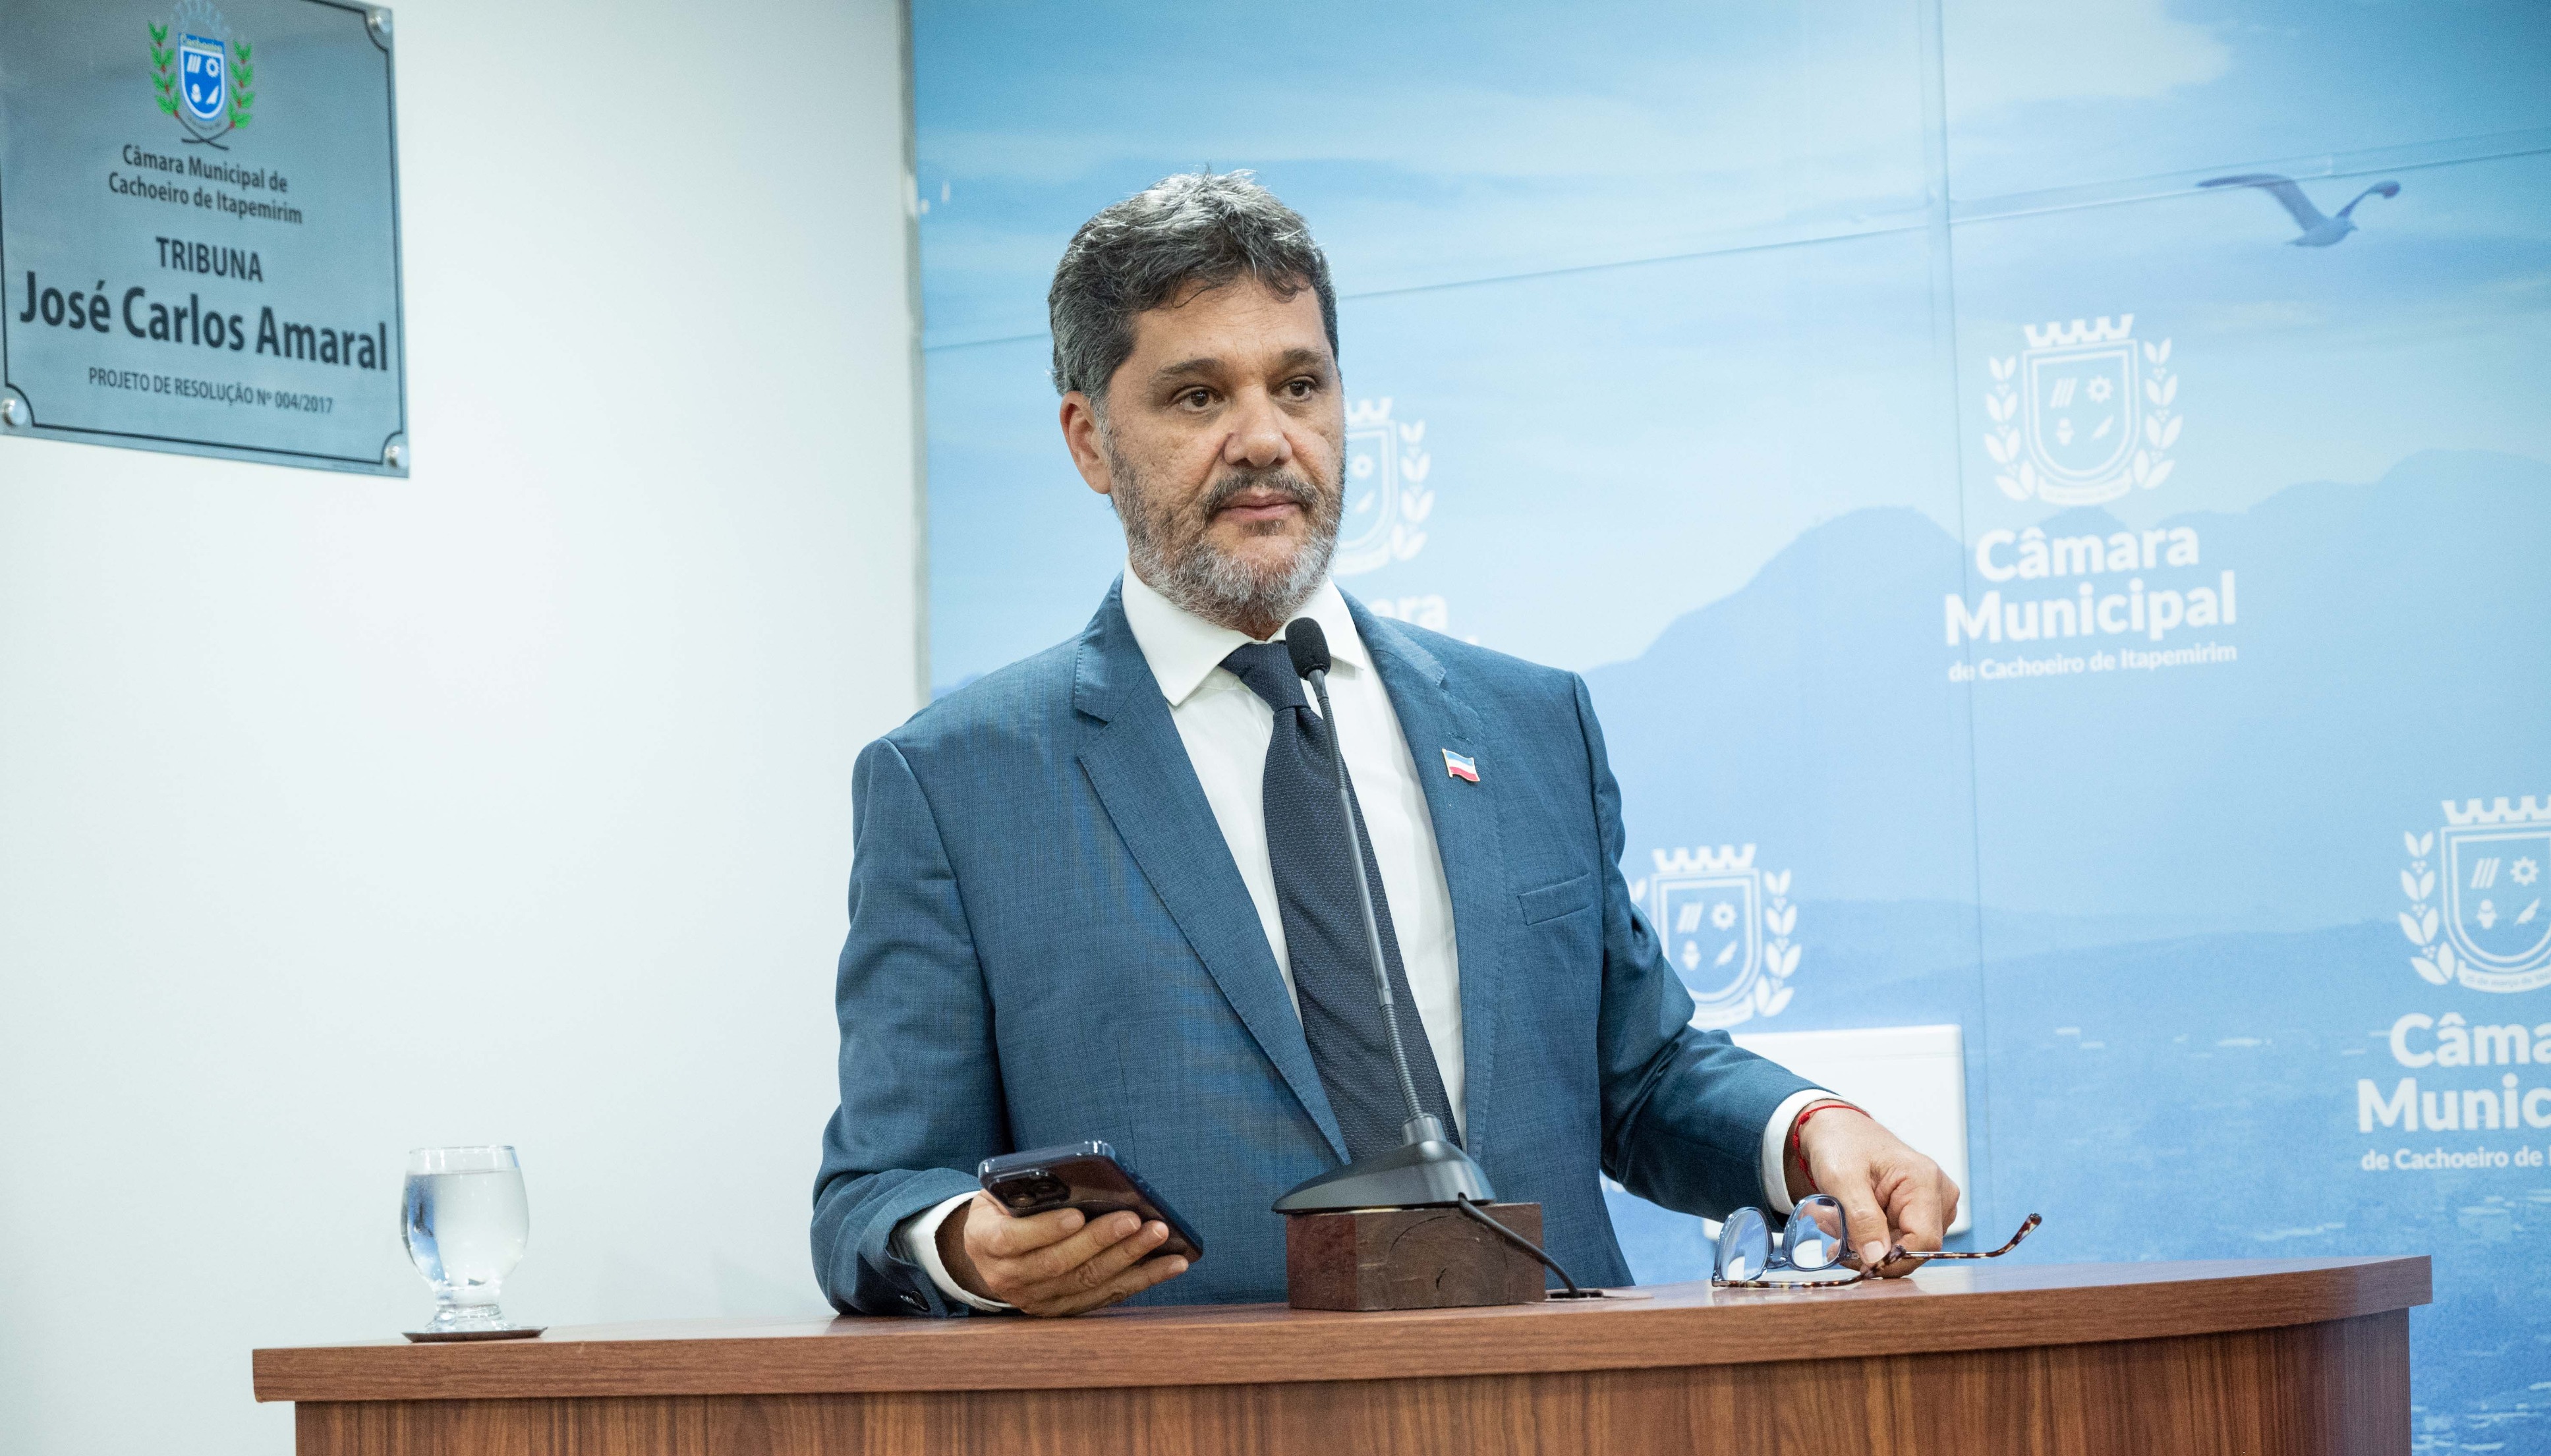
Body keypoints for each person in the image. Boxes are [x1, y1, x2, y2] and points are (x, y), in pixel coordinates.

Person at [812, 172, 1958, 1317]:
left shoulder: (1528, 724)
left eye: (1298, 385)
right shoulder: (959, 786)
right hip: (1198, 1421)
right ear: (1090, 441)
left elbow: (1639, 1075)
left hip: (1566, 1403)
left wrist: (1807, 1131)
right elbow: (872, 1192)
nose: (1266, 439)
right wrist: (961, 1244)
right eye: (1199, 397)